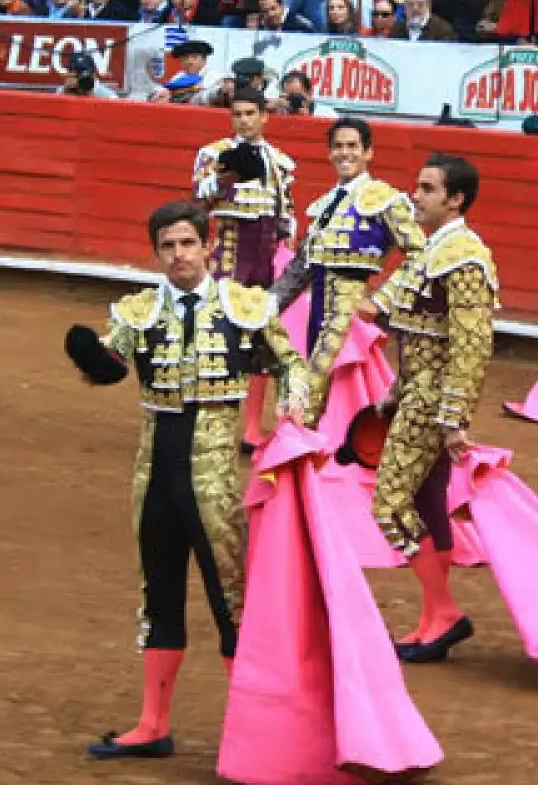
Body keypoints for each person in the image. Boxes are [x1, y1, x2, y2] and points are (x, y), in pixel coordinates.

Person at [66, 200, 308, 759]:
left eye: (186, 243)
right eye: (167, 246)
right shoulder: (141, 311)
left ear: (207, 245)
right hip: (154, 472)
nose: (178, 255)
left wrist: (293, 409)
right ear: (157, 252)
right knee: (159, 593)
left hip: (214, 476)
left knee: (231, 599)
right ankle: (153, 724)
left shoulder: (245, 308)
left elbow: (293, 365)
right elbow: (111, 362)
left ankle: (256, 728)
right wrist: (91, 359)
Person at [360, 153, 498, 662]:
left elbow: (471, 344)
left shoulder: (462, 256)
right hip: (418, 394)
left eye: (427, 188)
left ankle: (444, 614)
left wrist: (453, 419)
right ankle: (429, 619)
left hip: (433, 402)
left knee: (390, 503)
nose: (414, 195)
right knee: (426, 504)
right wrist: (396, 391)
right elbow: (422, 334)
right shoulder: (433, 248)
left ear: (455, 199)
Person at [270, 119, 425, 425]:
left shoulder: (384, 199)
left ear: (368, 152)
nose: (345, 153)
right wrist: (266, 307)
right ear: (329, 153)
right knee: (313, 390)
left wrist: (381, 300)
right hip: (317, 316)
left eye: (352, 146)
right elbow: (300, 269)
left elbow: (421, 253)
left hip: (348, 318)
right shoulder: (324, 206)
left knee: (317, 394)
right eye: (338, 146)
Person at [192, 88, 296, 287]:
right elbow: (198, 198)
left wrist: (287, 240)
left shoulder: (278, 160)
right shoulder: (214, 153)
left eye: (250, 113)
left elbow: (286, 208)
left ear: (264, 116)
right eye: (237, 114)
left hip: (268, 253)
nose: (244, 120)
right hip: (230, 249)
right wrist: (221, 181)